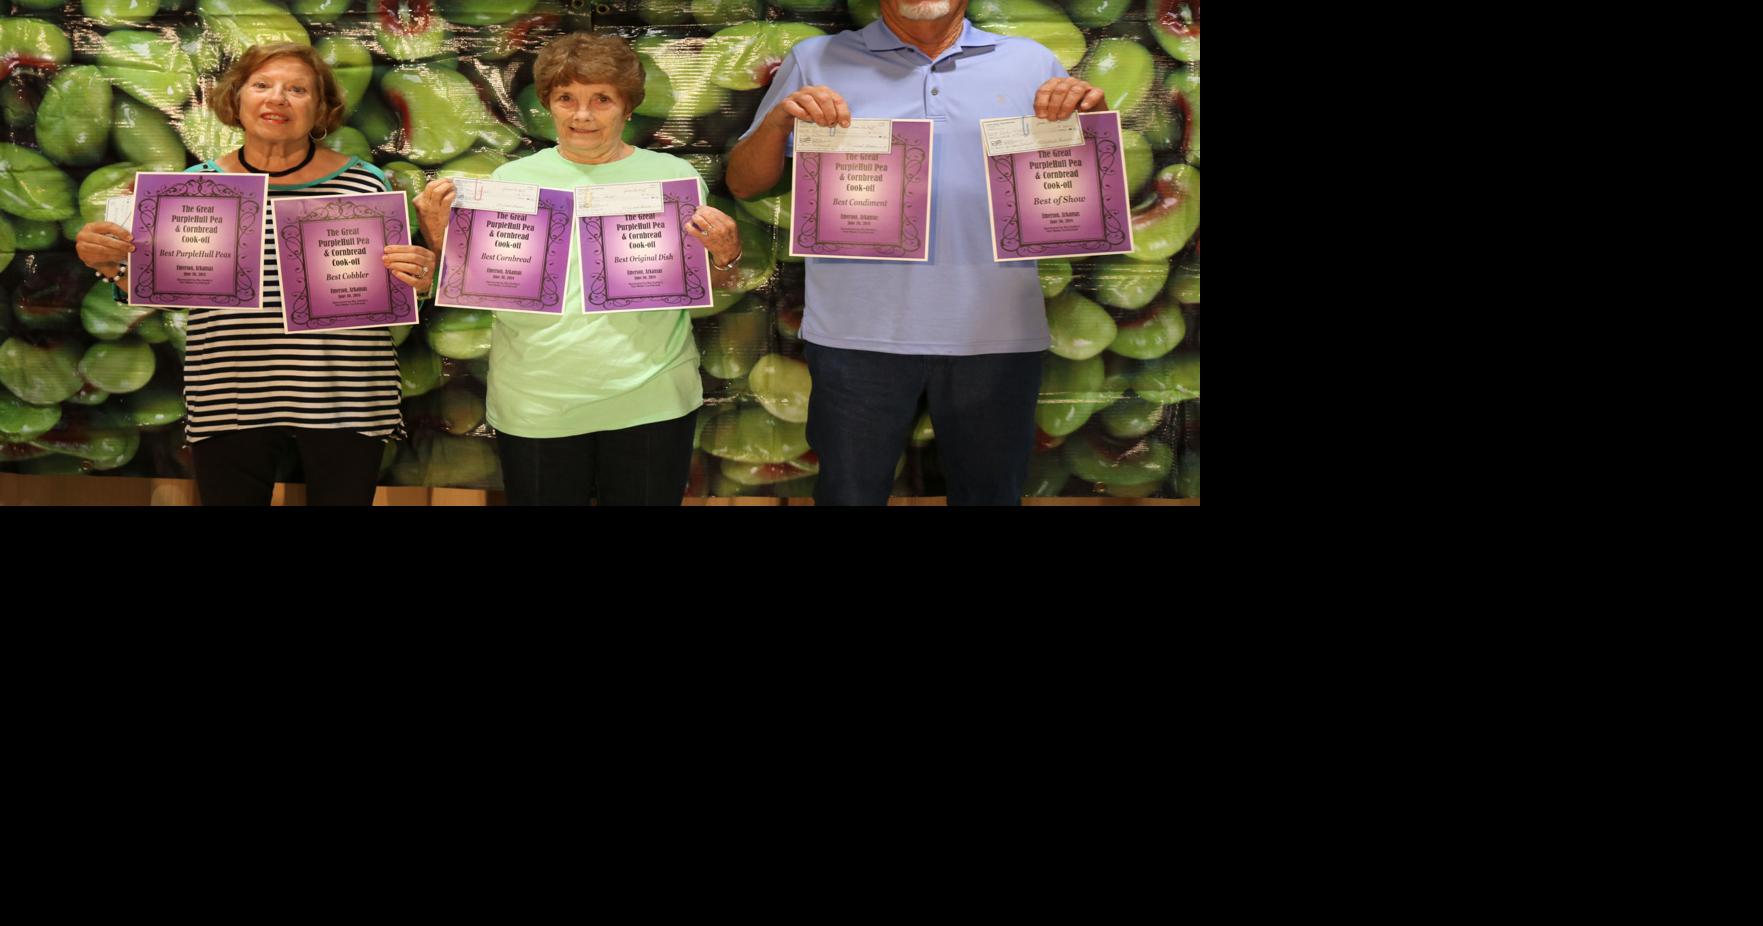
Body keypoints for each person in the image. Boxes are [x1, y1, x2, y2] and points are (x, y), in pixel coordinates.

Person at [726, 0, 1102, 505]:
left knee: (991, 495)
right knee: (848, 495)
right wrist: (777, 124)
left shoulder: (1031, 63)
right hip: (855, 335)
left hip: (994, 333)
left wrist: (1094, 122)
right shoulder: (815, 59)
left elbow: (1084, 194)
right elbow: (744, 185)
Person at [74, 42, 437, 505]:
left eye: (298, 89)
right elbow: (173, 292)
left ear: (322, 108)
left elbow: (390, 287)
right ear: (236, 100)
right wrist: (109, 264)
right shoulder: (196, 186)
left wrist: (418, 278)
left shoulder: (364, 182)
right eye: (262, 85)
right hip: (230, 392)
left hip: (345, 394)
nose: (277, 98)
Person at [415, 32, 741, 506]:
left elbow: (712, 286)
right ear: (548, 103)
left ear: (628, 107)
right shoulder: (510, 182)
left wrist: (726, 254)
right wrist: (438, 233)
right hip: (537, 401)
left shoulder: (676, 180)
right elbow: (479, 287)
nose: (582, 115)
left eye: (601, 99)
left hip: (649, 398)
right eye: (567, 98)